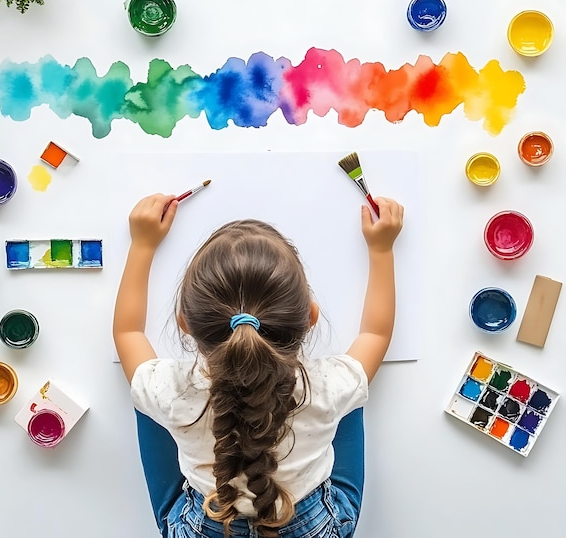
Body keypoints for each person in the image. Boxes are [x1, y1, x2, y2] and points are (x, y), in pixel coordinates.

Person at [113, 193, 404, 538]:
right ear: (311, 317)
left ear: (184, 324)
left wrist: (142, 245)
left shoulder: (172, 389)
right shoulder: (329, 383)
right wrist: (382, 249)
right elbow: (376, 333)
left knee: (146, 397)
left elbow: (127, 332)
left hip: (210, 523)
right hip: (312, 527)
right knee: (350, 394)